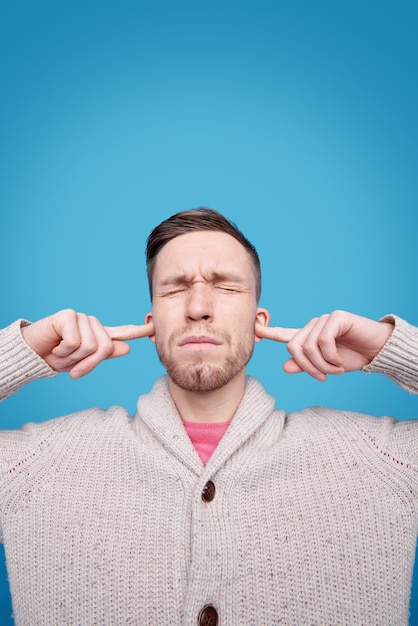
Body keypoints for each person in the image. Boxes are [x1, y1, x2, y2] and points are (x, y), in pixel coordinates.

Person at [0, 208, 417, 626]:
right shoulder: (36, 465)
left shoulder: (381, 460)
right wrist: (25, 351)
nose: (198, 307)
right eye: (175, 289)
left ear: (259, 323)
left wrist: (386, 348)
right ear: (151, 324)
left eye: (226, 287)